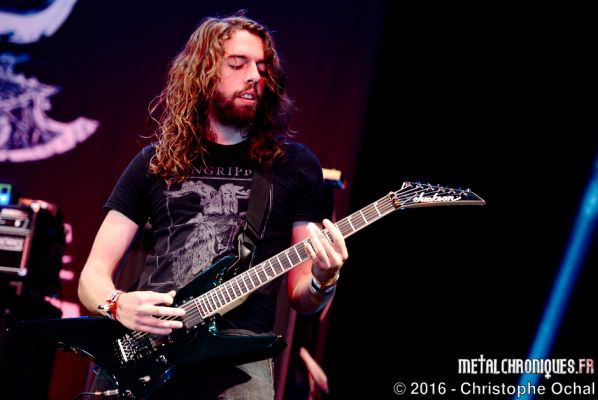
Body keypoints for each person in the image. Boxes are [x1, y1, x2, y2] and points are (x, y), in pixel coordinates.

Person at [77, 12, 348, 400]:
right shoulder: (155, 161)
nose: (254, 76)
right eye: (237, 64)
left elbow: (302, 296)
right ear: (202, 72)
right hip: (146, 346)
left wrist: (324, 278)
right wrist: (118, 304)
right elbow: (91, 277)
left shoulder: (294, 165)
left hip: (238, 354)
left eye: (262, 67)